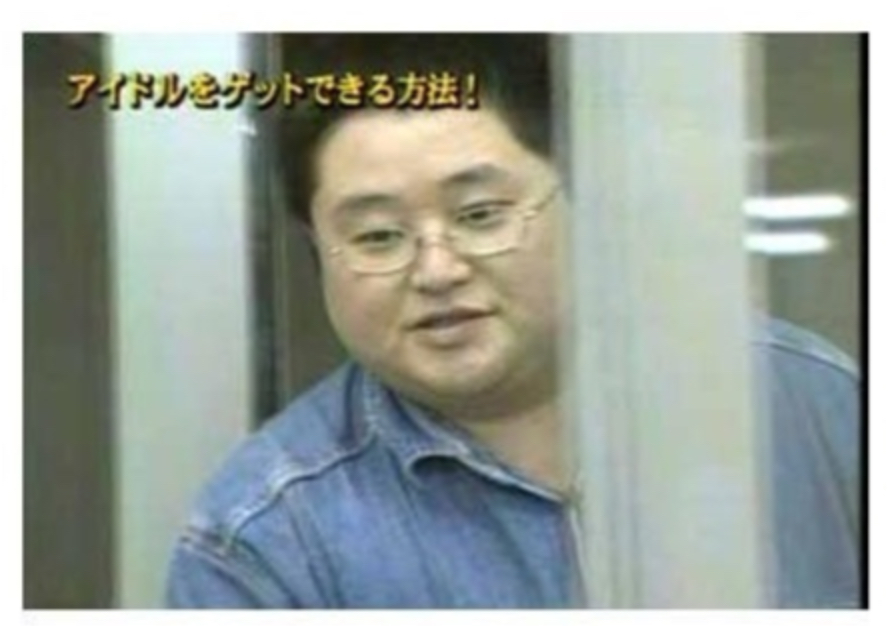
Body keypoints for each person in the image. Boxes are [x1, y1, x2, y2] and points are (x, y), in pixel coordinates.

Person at [165, 37, 861, 608]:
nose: (437, 269)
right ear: (318, 252)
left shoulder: (809, 400)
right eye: (377, 236)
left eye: (479, 215)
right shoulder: (263, 540)